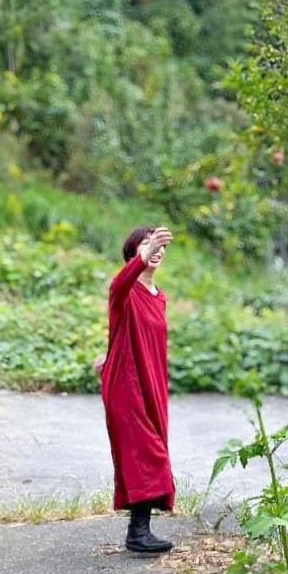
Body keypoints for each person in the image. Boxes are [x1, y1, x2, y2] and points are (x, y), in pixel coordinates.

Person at [97, 225, 176, 553]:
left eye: (158, 245)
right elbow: (118, 285)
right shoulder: (125, 289)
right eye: (146, 246)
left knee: (152, 448)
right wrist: (143, 257)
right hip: (127, 387)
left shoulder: (159, 298)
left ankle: (140, 530)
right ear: (133, 255)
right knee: (146, 453)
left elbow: (133, 333)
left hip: (152, 381)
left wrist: (110, 348)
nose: (155, 250)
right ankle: (137, 532)